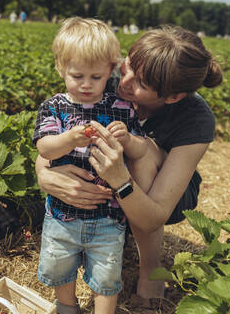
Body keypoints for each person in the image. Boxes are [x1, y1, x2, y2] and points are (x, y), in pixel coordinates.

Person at [35, 25, 223, 310]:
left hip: (163, 190)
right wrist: (44, 173)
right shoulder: (104, 75)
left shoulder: (196, 118)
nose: (124, 81)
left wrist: (120, 179)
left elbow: (155, 215)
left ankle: (150, 267)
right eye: (128, 66)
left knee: (143, 155)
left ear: (172, 97)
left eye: (141, 84)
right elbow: (57, 131)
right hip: (107, 176)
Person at [33, 17, 154, 314]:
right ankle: (66, 305)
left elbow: (141, 148)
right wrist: (69, 139)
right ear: (61, 68)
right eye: (77, 76)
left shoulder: (121, 109)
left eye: (96, 78)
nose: (86, 84)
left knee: (107, 270)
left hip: (108, 215)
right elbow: (44, 147)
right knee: (59, 262)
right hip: (62, 213)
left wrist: (126, 139)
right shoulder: (54, 107)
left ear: (110, 71)